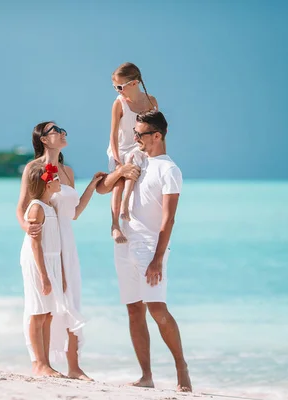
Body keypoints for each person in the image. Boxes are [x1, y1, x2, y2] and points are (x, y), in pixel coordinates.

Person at [96, 110, 192, 392]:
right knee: (134, 310)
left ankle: (181, 368)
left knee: (157, 309)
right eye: (135, 133)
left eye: (140, 134)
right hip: (125, 241)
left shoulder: (169, 170)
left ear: (158, 136)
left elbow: (168, 219)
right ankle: (146, 376)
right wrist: (120, 171)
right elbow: (104, 188)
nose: (135, 137)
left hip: (150, 247)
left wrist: (157, 259)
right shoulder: (136, 159)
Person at [16, 121, 116, 379]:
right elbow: (23, 207)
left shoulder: (68, 172)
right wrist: (28, 227)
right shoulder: (33, 169)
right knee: (41, 305)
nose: (62, 132)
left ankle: (74, 366)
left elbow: (75, 213)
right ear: (44, 139)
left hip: (65, 245)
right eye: (55, 130)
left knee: (70, 299)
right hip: (44, 241)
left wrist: (92, 187)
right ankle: (40, 362)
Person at [20, 161, 84, 377]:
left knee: (47, 314)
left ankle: (45, 362)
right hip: (39, 263)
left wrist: (60, 273)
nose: (59, 183)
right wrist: (44, 275)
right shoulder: (36, 207)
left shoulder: (49, 207)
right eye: (56, 180)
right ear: (47, 185)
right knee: (37, 312)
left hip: (52, 263)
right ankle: (38, 363)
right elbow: (35, 244)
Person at [107, 62, 158, 244]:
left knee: (135, 157)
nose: (118, 91)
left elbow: (156, 131)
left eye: (120, 87)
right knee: (120, 180)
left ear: (134, 83)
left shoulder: (151, 101)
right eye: (114, 87)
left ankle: (129, 208)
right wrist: (117, 161)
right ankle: (115, 224)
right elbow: (113, 135)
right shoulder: (119, 104)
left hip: (141, 148)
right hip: (120, 148)